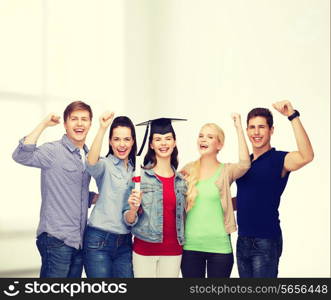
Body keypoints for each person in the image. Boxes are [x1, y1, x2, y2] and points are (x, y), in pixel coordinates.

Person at [12, 101, 96, 278]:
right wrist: (43, 124)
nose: (79, 123)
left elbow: (72, 191)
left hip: (78, 241)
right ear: (65, 124)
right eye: (74, 119)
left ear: (90, 124)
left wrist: (93, 197)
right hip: (56, 239)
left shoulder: (88, 156)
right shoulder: (53, 151)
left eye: (84, 119)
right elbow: (21, 155)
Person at [235, 100, 314, 278]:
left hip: (265, 241)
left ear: (271, 130)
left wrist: (292, 116)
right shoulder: (245, 163)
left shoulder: (279, 160)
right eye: (252, 127)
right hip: (243, 240)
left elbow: (306, 155)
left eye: (261, 127)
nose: (256, 132)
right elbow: (245, 199)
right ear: (247, 131)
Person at [180, 114, 250, 278]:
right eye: (201, 136)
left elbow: (245, 164)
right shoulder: (187, 170)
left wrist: (239, 128)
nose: (203, 140)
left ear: (220, 145)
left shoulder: (226, 171)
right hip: (191, 247)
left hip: (219, 248)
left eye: (210, 137)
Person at [124, 118, 187, 278]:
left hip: (173, 251)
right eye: (158, 139)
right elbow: (128, 219)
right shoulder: (140, 177)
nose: (163, 143)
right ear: (151, 144)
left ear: (174, 142)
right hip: (144, 250)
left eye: (168, 139)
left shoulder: (181, 181)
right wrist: (133, 209)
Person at [83, 112, 137, 278]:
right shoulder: (105, 165)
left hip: (125, 243)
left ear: (133, 141)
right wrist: (102, 129)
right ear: (110, 141)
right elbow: (90, 163)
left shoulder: (137, 170)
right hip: (99, 239)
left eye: (126, 139)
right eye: (117, 139)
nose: (122, 144)